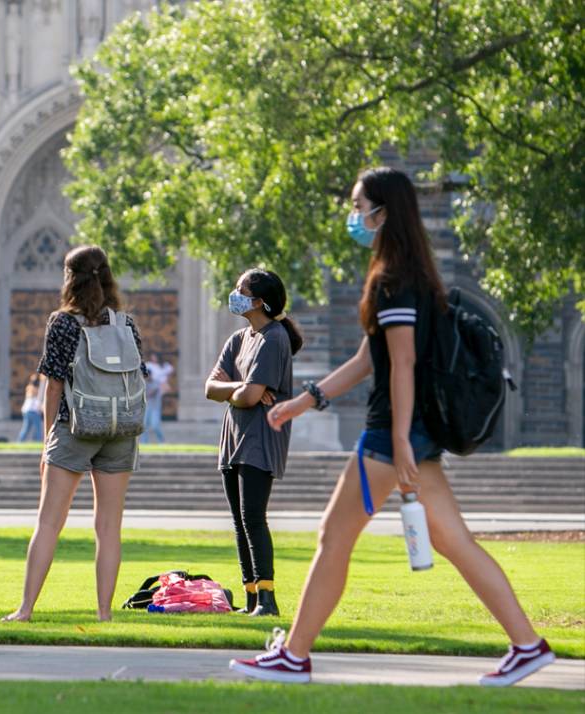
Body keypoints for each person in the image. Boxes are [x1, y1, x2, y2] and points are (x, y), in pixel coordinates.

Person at [229, 167, 554, 686]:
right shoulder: (406, 275)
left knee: (333, 537)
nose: (353, 216)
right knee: (453, 540)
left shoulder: (393, 280)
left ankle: (293, 654)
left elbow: (401, 364)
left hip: (390, 435)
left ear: (383, 213)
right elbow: (368, 358)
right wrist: (305, 402)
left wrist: (400, 439)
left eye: (359, 207)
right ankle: (527, 645)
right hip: (410, 432)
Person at [2, 245, 148, 623]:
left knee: (49, 522)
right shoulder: (125, 323)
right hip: (120, 428)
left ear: (70, 278)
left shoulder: (62, 322)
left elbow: (52, 385)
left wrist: (48, 437)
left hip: (75, 425)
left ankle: (26, 609)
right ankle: (104, 613)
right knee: (109, 527)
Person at [206, 269, 303, 617]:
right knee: (238, 520)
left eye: (241, 290)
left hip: (260, 440)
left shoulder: (274, 338)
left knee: (253, 518)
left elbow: (250, 398)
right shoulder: (238, 339)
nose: (235, 293)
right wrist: (240, 388)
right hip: (233, 439)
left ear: (259, 301)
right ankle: (250, 597)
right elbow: (212, 388)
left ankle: (268, 599)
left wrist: (238, 390)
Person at [142, 353, 174, 444]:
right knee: (144, 425)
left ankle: (161, 441)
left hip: (155, 407)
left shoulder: (156, 382)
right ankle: (144, 443)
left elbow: (155, 391)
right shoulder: (144, 383)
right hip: (146, 407)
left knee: (155, 425)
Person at [17, 374, 44, 442]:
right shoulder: (32, 388)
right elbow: (39, 396)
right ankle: (38, 442)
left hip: (27, 410)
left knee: (26, 428)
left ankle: (20, 441)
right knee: (38, 428)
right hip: (32, 411)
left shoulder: (29, 387)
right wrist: (42, 382)